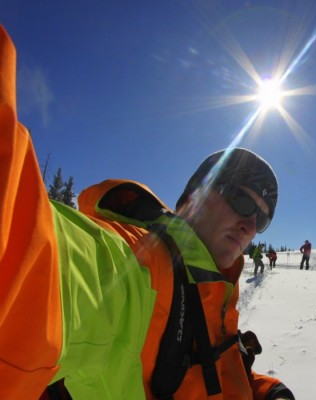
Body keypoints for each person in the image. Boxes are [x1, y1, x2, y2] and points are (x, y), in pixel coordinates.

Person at [0, 25, 294, 400]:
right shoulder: (142, 271)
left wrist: (262, 390)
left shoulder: (215, 291)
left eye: (263, 218)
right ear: (195, 197)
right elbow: (32, 262)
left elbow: (211, 372)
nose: (251, 224)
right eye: (241, 201)